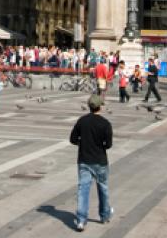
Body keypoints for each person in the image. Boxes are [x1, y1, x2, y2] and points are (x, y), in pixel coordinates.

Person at [70, 94, 114, 231]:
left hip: (84, 160)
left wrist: (82, 144)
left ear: (89, 106)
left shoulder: (82, 121)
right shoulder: (105, 123)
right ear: (100, 107)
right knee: (103, 188)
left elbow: (72, 138)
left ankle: (81, 220)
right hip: (100, 160)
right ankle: (105, 215)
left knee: (83, 189)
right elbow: (108, 145)